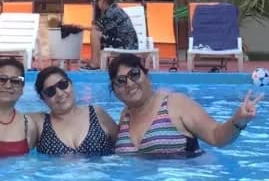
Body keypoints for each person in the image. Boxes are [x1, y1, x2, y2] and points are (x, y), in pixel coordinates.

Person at [0, 66, 117, 156]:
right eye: (50, 91)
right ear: (43, 99)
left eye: (63, 84)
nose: (59, 93)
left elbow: (126, 146)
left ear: (71, 85)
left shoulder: (97, 113)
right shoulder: (39, 123)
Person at [109, 53, 260, 157]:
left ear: (146, 75)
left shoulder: (176, 103)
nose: (129, 83)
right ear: (115, 91)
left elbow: (215, 136)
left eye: (134, 74)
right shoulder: (125, 117)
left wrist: (237, 121)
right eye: (120, 81)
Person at [82, 0, 138, 69]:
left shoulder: (112, 12)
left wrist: (79, 28)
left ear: (103, 1)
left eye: (98, 0)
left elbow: (96, 27)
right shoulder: (114, 9)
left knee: (95, 33)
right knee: (103, 35)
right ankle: (98, 62)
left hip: (127, 46)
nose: (97, 2)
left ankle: (95, 63)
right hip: (129, 44)